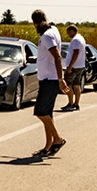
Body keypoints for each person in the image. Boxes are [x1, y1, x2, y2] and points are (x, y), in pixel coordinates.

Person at [31, 9, 69, 157]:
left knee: (40, 111)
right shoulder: (53, 30)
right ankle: (48, 146)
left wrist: (61, 79)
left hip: (50, 79)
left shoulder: (47, 36)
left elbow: (57, 57)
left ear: (34, 23)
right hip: (47, 78)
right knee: (47, 114)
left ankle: (58, 139)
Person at [61, 24, 86, 112]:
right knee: (76, 85)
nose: (68, 34)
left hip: (74, 66)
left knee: (68, 84)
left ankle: (71, 103)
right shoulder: (81, 38)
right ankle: (76, 103)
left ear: (73, 31)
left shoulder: (75, 40)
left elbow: (76, 53)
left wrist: (70, 66)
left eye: (69, 32)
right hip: (80, 66)